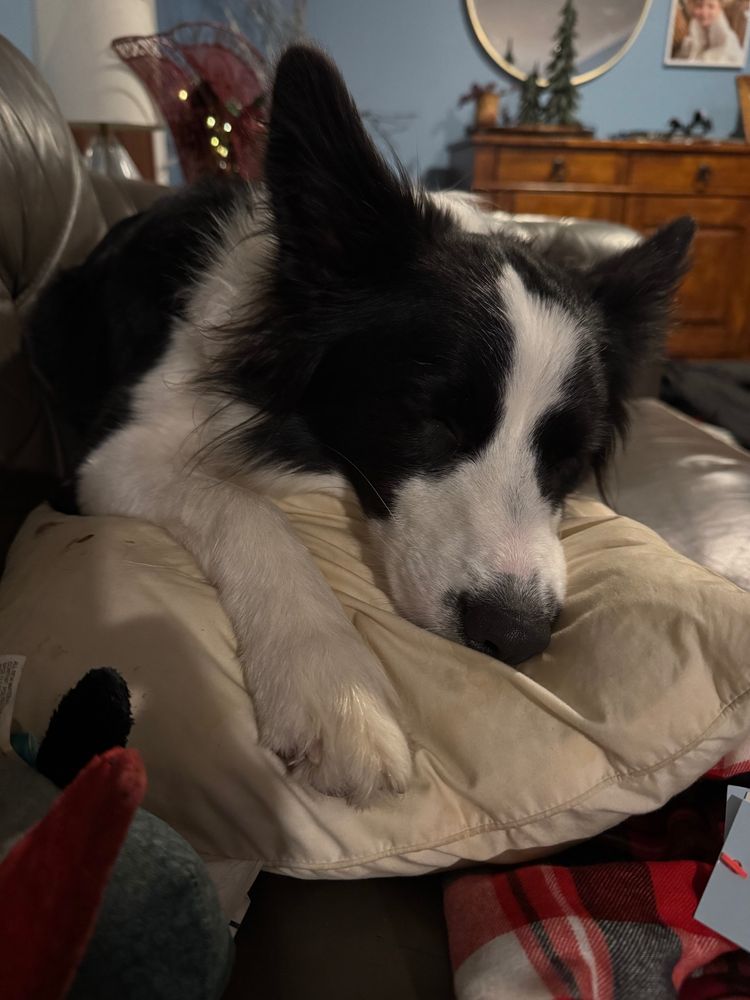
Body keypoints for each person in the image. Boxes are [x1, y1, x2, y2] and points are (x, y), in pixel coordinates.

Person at [674, 0, 745, 63]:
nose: (704, 13)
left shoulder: (728, 40)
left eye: (711, 7)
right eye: (699, 6)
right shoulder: (691, 38)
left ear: (720, 8)